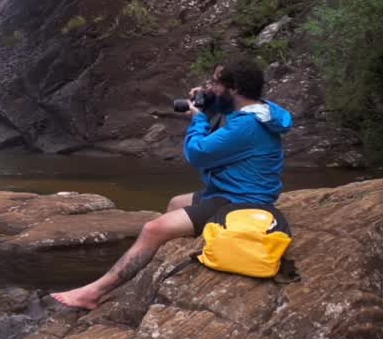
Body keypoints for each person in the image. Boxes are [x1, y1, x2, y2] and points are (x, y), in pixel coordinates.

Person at [51, 58, 293, 309]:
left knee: (152, 229)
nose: (209, 86)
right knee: (175, 202)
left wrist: (198, 118)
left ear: (234, 88)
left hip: (240, 202)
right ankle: (160, 262)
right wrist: (209, 100)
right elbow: (229, 111)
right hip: (231, 190)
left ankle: (92, 293)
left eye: (214, 82)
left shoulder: (247, 125)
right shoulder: (260, 111)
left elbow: (197, 153)